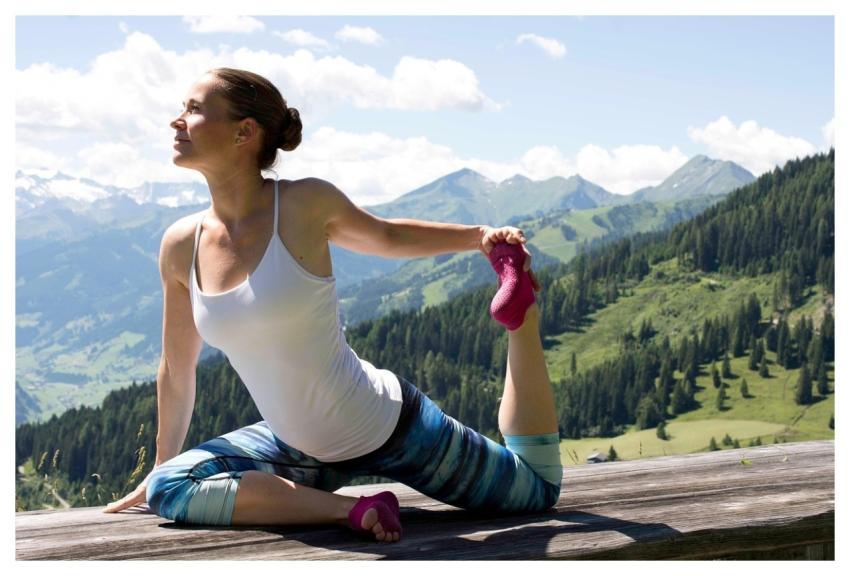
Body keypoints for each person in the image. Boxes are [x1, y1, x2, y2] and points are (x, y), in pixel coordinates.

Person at [103, 67, 562, 543]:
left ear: (246, 132)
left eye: (194, 109)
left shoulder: (304, 203)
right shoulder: (181, 244)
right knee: (171, 487)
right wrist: (162, 466)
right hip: (294, 445)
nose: (177, 121)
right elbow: (176, 369)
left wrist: (480, 239)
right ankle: (353, 510)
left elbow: (385, 235)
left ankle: (522, 318)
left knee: (538, 490)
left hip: (391, 427)